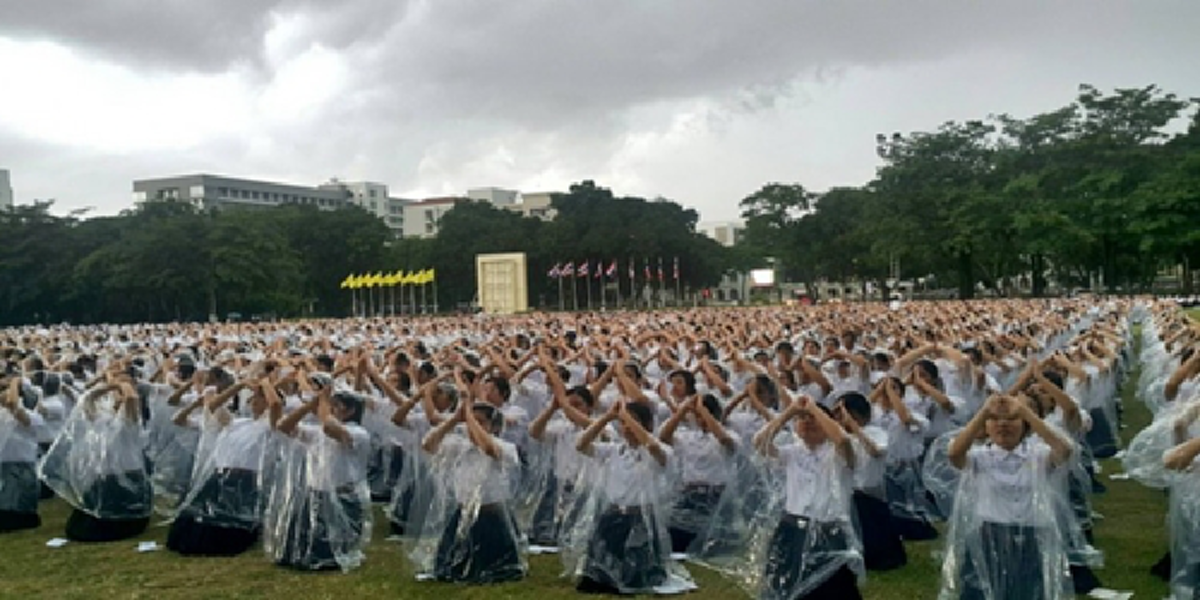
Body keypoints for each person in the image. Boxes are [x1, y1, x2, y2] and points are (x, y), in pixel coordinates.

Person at [942, 394, 1075, 600]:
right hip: (990, 533)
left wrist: (1024, 411)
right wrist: (984, 412)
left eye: (1012, 420)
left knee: (1028, 592)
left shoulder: (1038, 455)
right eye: (994, 420)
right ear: (985, 427)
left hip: (1032, 534)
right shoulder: (979, 457)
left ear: (1024, 425)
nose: (1003, 425)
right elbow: (954, 454)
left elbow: (1064, 450)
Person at [572, 395, 694, 595]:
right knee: (597, 575)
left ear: (647, 425)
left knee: (637, 577)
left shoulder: (661, 451)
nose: (627, 427)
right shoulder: (614, 450)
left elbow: (653, 447)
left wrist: (626, 416)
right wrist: (607, 417)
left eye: (633, 422)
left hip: (641, 518)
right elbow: (581, 445)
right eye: (623, 423)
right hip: (614, 514)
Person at [419, 376, 526, 584]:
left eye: (481, 422)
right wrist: (454, 420)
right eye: (470, 422)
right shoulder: (460, 445)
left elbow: (488, 448)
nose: (472, 426)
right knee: (450, 566)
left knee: (496, 568)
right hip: (464, 510)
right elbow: (428, 445)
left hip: (491, 512)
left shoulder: (505, 447)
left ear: (493, 426)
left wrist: (469, 415)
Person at [754, 397, 863, 600]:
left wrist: (813, 408)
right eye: (802, 419)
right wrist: (790, 412)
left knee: (831, 589)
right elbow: (760, 442)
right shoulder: (792, 453)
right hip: (792, 528)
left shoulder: (839, 453)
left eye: (814, 419)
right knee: (786, 585)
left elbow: (843, 440)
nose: (807, 422)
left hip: (828, 530)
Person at [166, 376, 279, 556]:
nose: (254, 401)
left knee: (230, 524)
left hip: (245, 477)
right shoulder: (240, 422)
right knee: (198, 520)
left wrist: (265, 384)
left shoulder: (271, 427)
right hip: (222, 474)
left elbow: (276, 405)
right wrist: (239, 385)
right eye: (253, 398)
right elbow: (213, 406)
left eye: (259, 398)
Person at [269, 386, 372, 572]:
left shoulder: (359, 433)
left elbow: (330, 428)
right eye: (330, 405)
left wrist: (323, 402)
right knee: (299, 548)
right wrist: (309, 406)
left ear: (351, 411)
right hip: (316, 494)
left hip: (343, 497)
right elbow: (283, 427)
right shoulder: (317, 432)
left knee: (331, 551)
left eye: (336, 405)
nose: (330, 409)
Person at [0, 377, 44, 532]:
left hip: (22, 463)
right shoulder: (3, 414)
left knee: (19, 501)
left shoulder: (32, 417)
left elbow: (13, 404)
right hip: (5, 463)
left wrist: (14, 382)